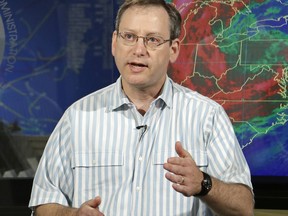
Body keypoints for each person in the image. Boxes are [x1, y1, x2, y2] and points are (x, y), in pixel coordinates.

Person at [29, 0, 254, 215]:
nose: (139, 50)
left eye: (153, 40)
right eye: (129, 37)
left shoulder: (207, 117)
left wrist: (204, 184)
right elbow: (43, 203)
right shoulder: (77, 118)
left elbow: (244, 206)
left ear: (173, 49)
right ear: (114, 43)